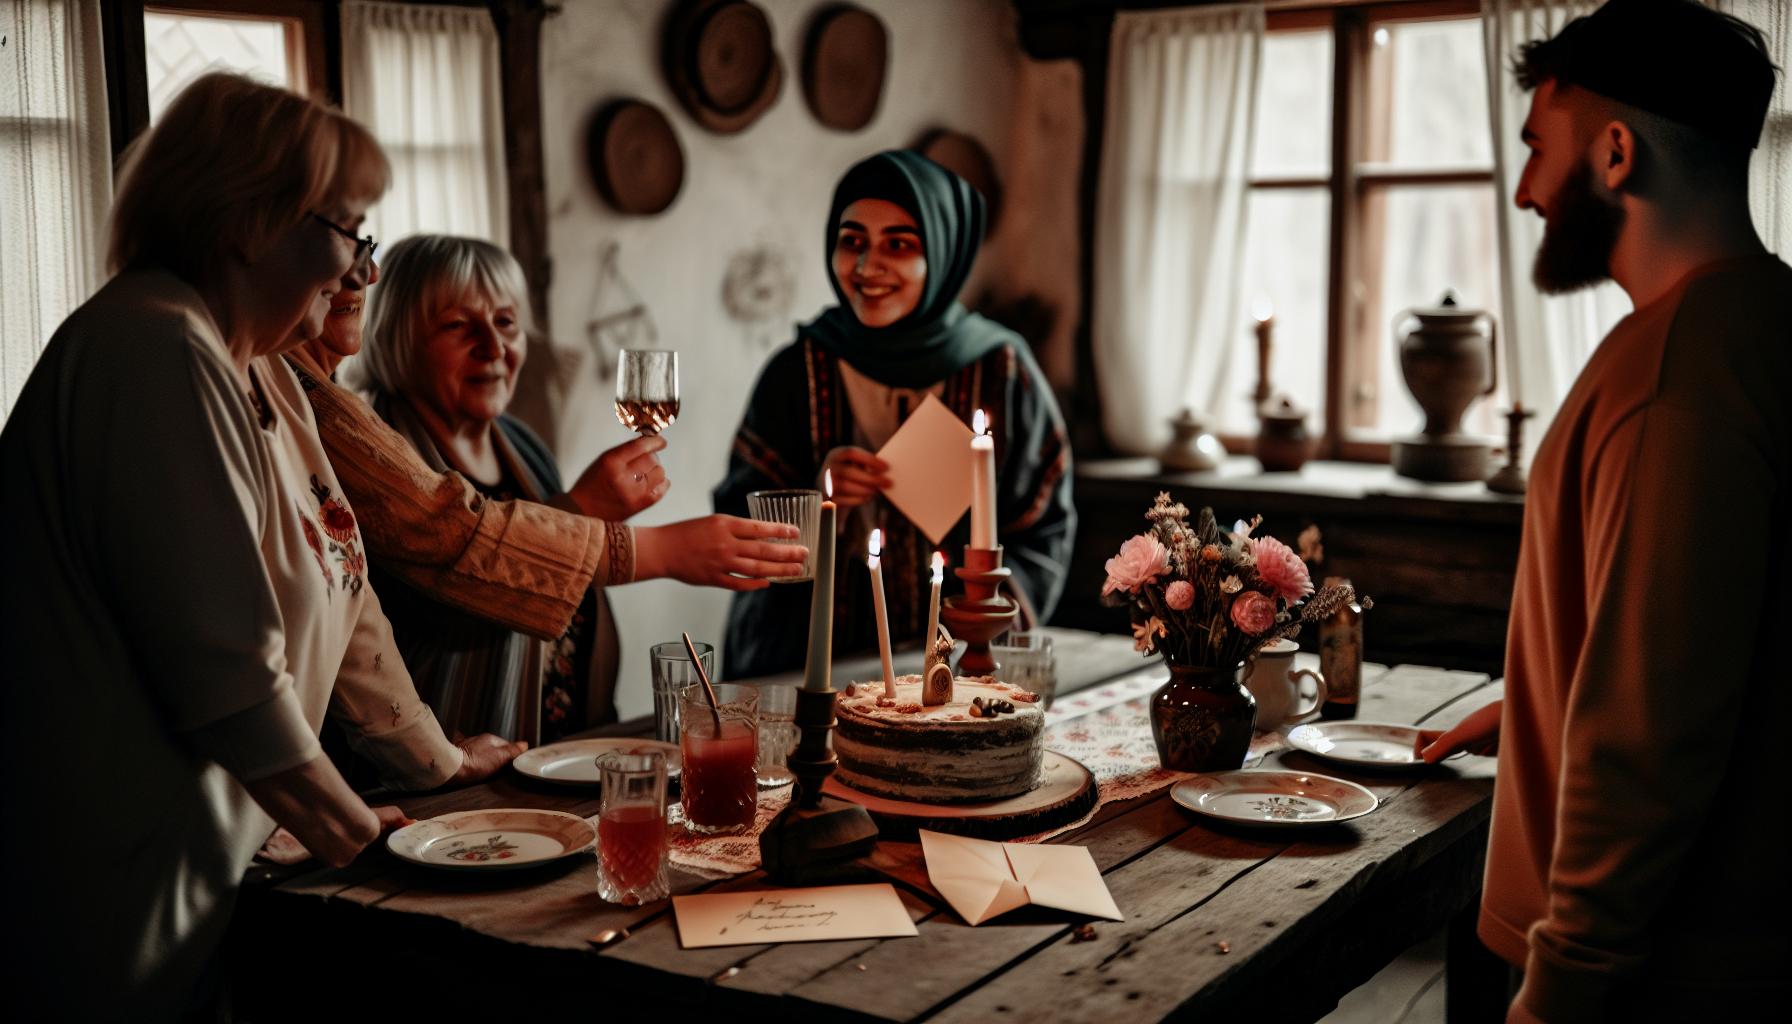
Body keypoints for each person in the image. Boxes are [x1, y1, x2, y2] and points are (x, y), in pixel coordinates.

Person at [0, 74, 513, 1017]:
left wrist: (435, 763)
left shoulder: (257, 365)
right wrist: (360, 839)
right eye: (346, 231)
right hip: (104, 886)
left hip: (195, 875)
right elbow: (228, 676)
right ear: (246, 221)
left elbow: (342, 585)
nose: (362, 269)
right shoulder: (151, 351)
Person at [1415, 2, 1789, 1019]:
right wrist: (1537, 708)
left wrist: (1557, 988)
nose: (1529, 191)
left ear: (1615, 153)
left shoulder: (1673, 375)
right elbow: (1703, 646)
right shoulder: (1757, 320)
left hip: (1654, 976)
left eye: (1539, 147)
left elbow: (1648, 741)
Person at [348, 234, 806, 745]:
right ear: (395, 336)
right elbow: (444, 601)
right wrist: (592, 515)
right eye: (458, 325)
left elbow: (574, 567)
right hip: (456, 762)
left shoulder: (519, 443)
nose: (494, 347)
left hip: (564, 741)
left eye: (506, 322)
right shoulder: (379, 452)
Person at [715, 150, 1075, 677]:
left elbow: (1043, 525)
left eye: (899, 245)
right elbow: (739, 529)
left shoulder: (1001, 370)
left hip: (957, 670)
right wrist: (816, 502)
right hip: (812, 670)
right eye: (852, 241)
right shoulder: (797, 371)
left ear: (943, 254)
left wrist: (985, 617)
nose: (867, 266)